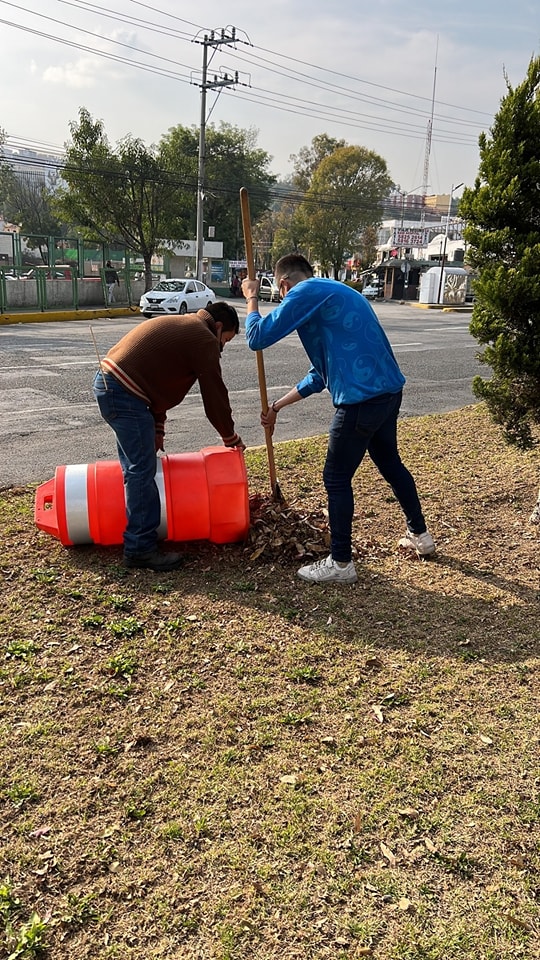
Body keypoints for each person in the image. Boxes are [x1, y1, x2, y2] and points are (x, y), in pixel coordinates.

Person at [242, 254, 435, 585]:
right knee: (390, 464)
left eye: (279, 291)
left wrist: (251, 298)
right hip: (388, 393)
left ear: (284, 284)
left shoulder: (302, 293)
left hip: (361, 399)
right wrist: (277, 407)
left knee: (335, 477)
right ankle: (421, 535)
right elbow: (321, 374)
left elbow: (256, 337)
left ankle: (341, 562)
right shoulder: (334, 292)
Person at [92, 302, 245, 571]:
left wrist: (158, 427)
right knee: (140, 471)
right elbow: (215, 396)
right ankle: (139, 548)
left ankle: (139, 537)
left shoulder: (187, 326)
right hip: (124, 393)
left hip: (115, 387)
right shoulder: (203, 338)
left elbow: (159, 379)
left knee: (137, 467)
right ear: (219, 327)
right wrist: (229, 436)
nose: (223, 347)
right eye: (227, 340)